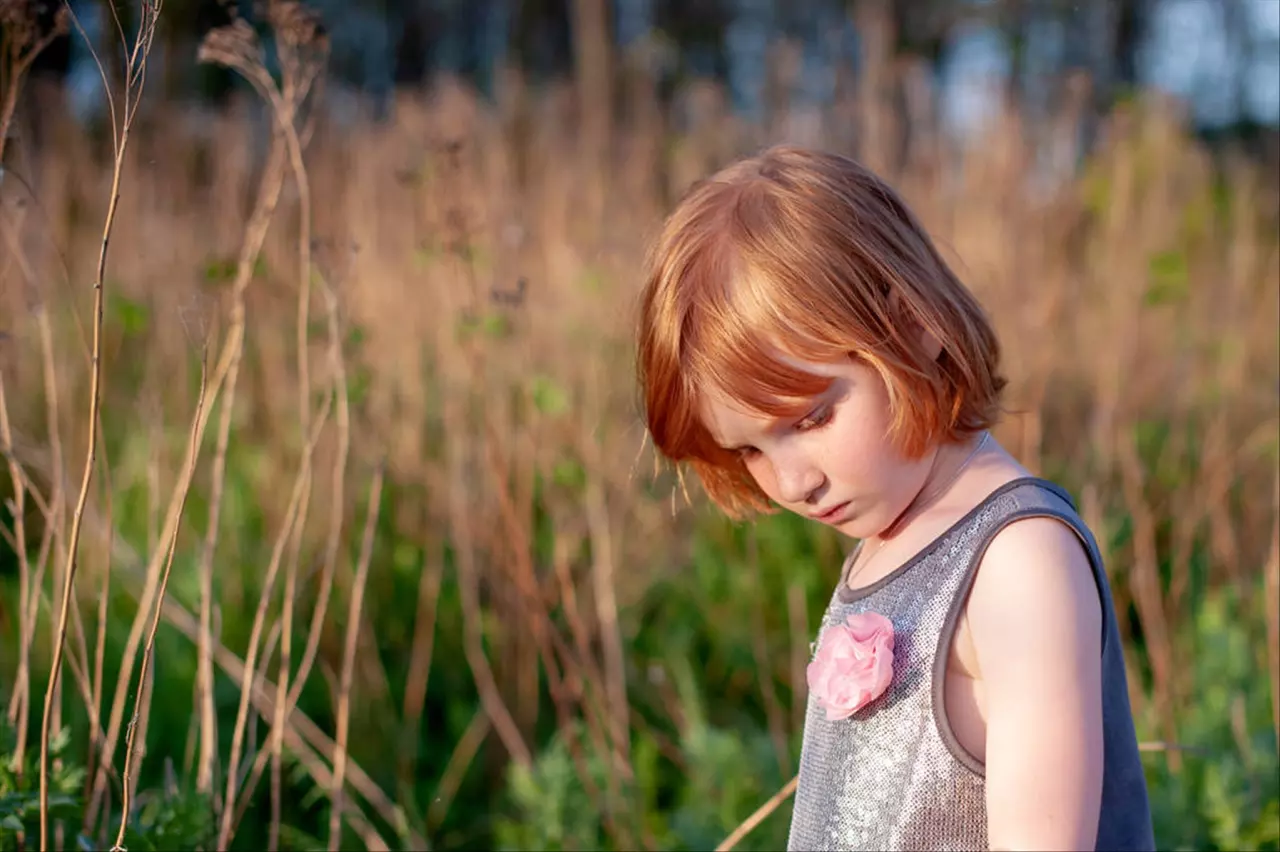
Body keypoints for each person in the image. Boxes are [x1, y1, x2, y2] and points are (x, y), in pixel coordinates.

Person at [634, 146, 1155, 851]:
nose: (792, 483)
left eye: (813, 419)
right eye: (749, 450)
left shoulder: (1017, 563)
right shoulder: (890, 536)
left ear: (915, 324)